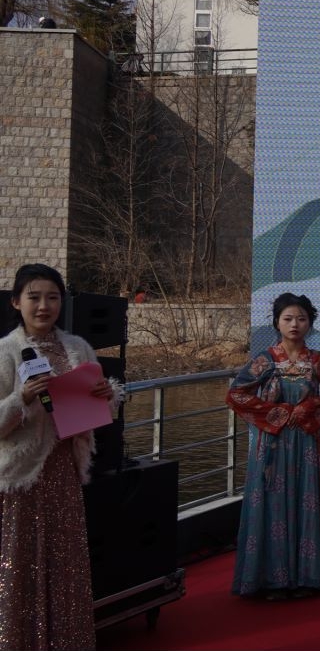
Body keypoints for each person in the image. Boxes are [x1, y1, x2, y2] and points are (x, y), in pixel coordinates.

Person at [1, 263, 118, 649]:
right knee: (19, 566)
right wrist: (22, 397)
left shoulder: (78, 347)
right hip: (20, 476)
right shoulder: (5, 352)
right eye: (34, 297)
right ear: (16, 302)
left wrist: (107, 395)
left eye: (52, 297)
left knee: (65, 564)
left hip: (64, 471)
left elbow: (98, 410)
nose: (43, 306)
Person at [227, 292, 320, 599]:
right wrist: (278, 413)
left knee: (309, 504)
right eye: (288, 318)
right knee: (271, 506)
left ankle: (310, 578)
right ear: (277, 323)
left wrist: (312, 406)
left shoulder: (318, 361)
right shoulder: (265, 360)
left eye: (301, 319)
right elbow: (236, 394)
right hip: (273, 445)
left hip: (309, 443)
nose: (295, 324)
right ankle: (271, 580)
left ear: (310, 323)